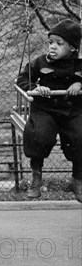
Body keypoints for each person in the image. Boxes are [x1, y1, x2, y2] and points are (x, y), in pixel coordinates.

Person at [16, 19, 82, 202]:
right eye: (50, 42)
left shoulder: (80, 65)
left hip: (72, 110)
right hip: (45, 109)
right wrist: (34, 88)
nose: (53, 47)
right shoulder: (40, 63)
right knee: (39, 135)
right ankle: (36, 177)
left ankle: (78, 179)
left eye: (59, 44)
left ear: (73, 48)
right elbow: (21, 80)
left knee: (80, 136)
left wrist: (79, 83)